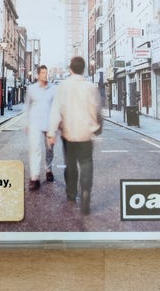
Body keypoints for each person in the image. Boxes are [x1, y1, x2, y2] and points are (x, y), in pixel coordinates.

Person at [47, 57, 102, 214]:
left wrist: (51, 132)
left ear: (70, 69)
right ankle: (85, 193)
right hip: (86, 133)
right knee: (86, 163)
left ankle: (71, 194)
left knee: (70, 164)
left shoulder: (63, 86)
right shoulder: (91, 87)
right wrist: (96, 127)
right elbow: (97, 109)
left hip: (69, 133)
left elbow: (56, 110)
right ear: (83, 69)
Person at [25, 65, 56, 191]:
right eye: (42, 73)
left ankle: (48, 169)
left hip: (49, 123)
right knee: (35, 149)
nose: (45, 75)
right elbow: (27, 106)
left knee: (49, 149)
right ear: (38, 75)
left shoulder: (53, 89)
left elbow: (56, 107)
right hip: (35, 123)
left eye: (46, 72)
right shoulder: (31, 89)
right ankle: (35, 178)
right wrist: (26, 123)